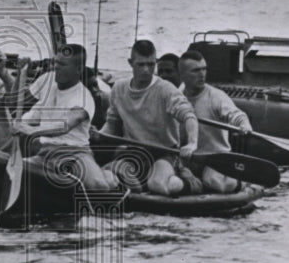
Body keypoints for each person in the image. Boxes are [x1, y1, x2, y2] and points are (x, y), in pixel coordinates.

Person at [98, 40, 202, 196]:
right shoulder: (119, 88)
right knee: (105, 178)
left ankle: (190, 182)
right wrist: (98, 134)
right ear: (130, 63)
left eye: (151, 64)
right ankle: (136, 186)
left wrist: (192, 143)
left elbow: (189, 116)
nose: (146, 70)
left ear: (156, 62)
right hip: (134, 153)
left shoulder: (165, 89)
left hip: (164, 152)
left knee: (158, 185)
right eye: (141, 65)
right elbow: (112, 124)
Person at [12, 43, 117, 193]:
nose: (56, 67)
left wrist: (29, 130)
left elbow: (64, 126)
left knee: (99, 187)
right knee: (12, 173)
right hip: (45, 154)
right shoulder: (47, 80)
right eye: (56, 62)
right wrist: (20, 73)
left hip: (75, 153)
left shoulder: (83, 97)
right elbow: (14, 101)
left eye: (62, 64)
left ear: (78, 69)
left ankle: (107, 175)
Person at [178, 49, 253, 193]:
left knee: (215, 182)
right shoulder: (176, 98)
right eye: (195, 71)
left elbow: (236, 115)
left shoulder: (216, 96)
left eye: (204, 69)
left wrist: (244, 125)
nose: (202, 74)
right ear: (182, 75)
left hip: (215, 159)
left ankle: (242, 183)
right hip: (187, 160)